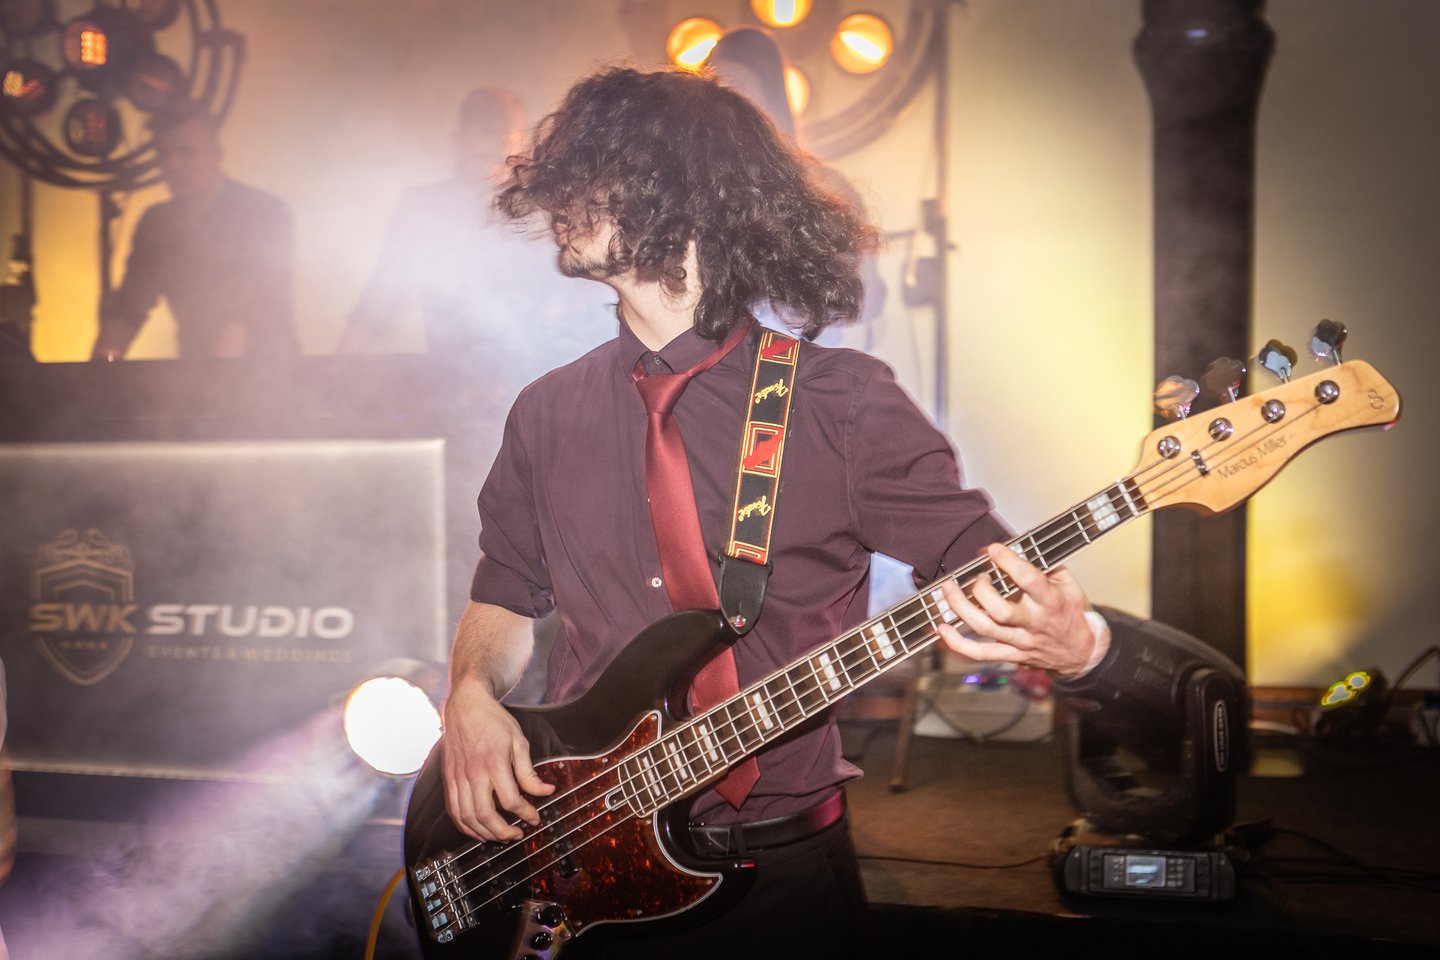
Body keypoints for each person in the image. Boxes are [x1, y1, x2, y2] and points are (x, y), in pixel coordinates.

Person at [439, 67, 1108, 958]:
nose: (560, 197)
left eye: (593, 172)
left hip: (777, 877)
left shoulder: (840, 403)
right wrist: (469, 696)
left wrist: (1070, 638)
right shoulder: (545, 412)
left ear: (683, 194)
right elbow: (504, 593)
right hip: (574, 858)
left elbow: (980, 562)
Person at [339, 87, 610, 393]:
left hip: (547, 380)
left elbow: (589, 298)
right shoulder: (425, 208)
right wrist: (339, 375)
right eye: (484, 128)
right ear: (458, 140)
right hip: (455, 387)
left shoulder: (548, 206)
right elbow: (381, 300)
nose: (494, 141)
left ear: (521, 144)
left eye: (504, 132)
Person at [91, 103, 297, 361]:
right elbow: (130, 306)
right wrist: (101, 366)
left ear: (217, 153)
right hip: (200, 368)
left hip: (270, 370)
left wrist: (220, 370)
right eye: (163, 154)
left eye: (186, 152)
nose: (173, 165)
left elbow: (254, 301)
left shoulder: (264, 212)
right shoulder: (157, 223)